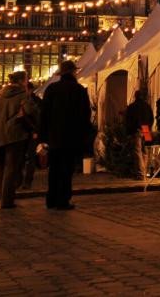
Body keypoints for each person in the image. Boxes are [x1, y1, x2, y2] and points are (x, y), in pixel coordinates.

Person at [40, 60, 91, 210]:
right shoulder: (79, 90)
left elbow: (44, 114)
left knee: (54, 169)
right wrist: (84, 136)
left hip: (54, 137)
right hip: (71, 137)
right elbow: (84, 115)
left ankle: (51, 199)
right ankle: (63, 200)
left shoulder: (51, 89)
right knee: (67, 170)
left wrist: (44, 136)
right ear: (73, 72)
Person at [0, 71, 37, 209]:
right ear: (21, 81)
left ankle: (3, 196)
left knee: (1, 167)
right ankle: (7, 201)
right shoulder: (22, 94)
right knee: (12, 167)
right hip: (14, 135)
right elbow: (30, 110)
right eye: (26, 79)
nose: (27, 82)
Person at [19, 80, 44, 189]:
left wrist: (36, 131)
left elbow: (40, 117)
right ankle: (20, 180)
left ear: (30, 90)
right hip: (23, 132)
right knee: (21, 157)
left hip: (32, 132)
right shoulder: (22, 100)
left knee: (30, 157)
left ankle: (27, 181)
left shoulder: (35, 101)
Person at [124, 90, 153, 178]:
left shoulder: (132, 107)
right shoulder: (147, 106)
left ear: (135, 96)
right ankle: (145, 171)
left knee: (138, 151)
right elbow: (152, 118)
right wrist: (149, 127)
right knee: (145, 150)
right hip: (146, 129)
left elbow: (128, 120)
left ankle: (141, 173)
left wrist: (130, 131)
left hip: (137, 130)